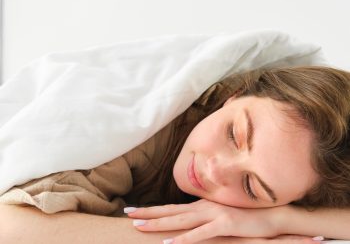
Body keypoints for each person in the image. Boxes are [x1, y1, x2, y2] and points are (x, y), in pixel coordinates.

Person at [0, 66, 349, 244]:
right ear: (237, 94)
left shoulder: (308, 166)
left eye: (251, 187)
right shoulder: (140, 132)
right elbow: (10, 227)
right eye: (234, 134)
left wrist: (281, 221)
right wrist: (223, 238)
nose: (215, 170)